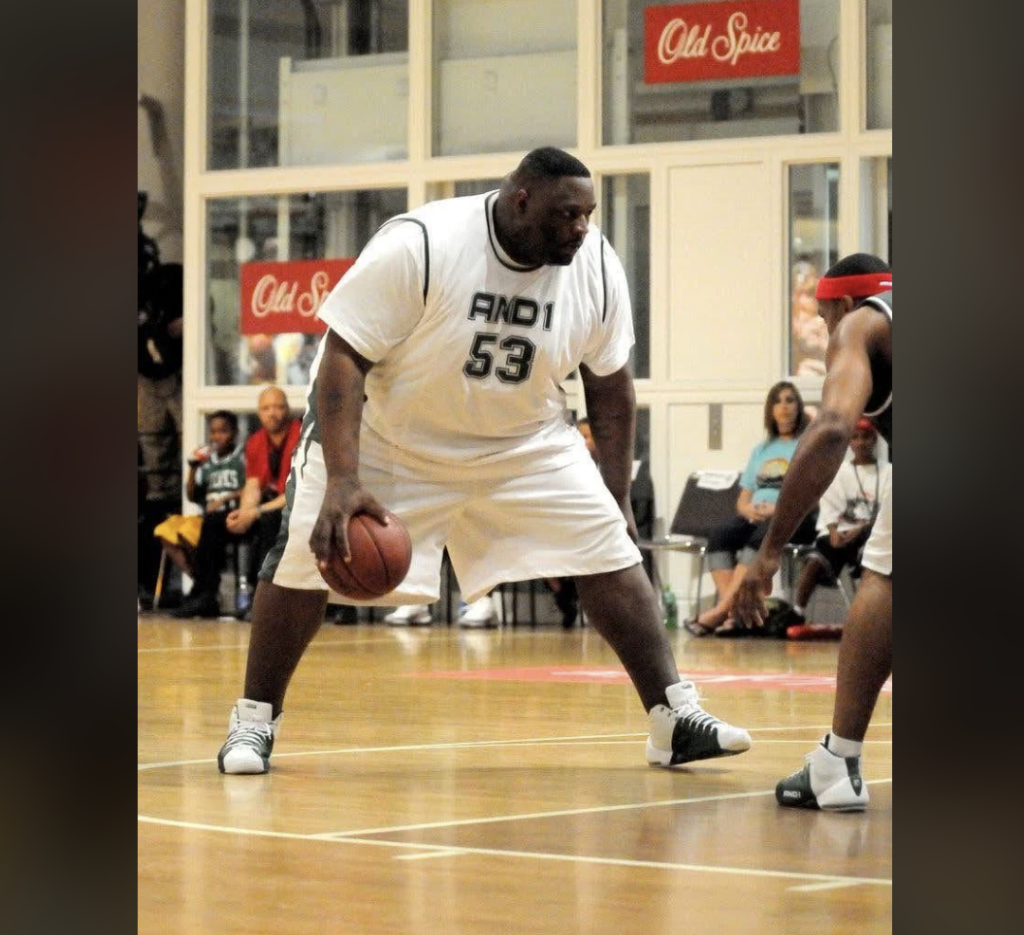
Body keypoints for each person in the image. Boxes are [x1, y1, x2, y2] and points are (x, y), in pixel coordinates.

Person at [215, 146, 751, 774]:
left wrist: (616, 494)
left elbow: (610, 387)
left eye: (588, 215)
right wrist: (342, 478)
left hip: (526, 445)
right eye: (566, 215)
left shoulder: (596, 264)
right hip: (395, 439)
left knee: (611, 551)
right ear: (519, 201)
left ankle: (674, 718)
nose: (581, 229)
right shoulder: (423, 243)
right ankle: (252, 722)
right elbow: (342, 358)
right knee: (306, 558)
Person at [732, 252, 892, 812]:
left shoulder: (860, 323)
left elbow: (829, 430)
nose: (828, 333)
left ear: (844, 304)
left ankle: (838, 763)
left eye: (824, 319)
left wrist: (770, 552)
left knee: (886, 582)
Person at [683, 381, 818, 636]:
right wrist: (749, 510)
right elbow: (743, 499)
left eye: (790, 400)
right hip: (757, 515)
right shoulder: (762, 449)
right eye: (778, 401)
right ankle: (732, 613)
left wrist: (777, 511)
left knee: (758, 538)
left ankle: (721, 611)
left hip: (793, 518)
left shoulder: (807, 445)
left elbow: (813, 495)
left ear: (799, 407)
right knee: (720, 535)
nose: (784, 406)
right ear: (770, 409)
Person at [772, 417, 890, 631]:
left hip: (871, 533)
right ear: (849, 442)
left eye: (866, 437)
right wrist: (833, 530)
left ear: (875, 439)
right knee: (817, 559)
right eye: (855, 437)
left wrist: (861, 528)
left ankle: (868, 619)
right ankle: (797, 611)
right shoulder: (839, 470)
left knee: (872, 563)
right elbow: (828, 504)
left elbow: (888, 510)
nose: (861, 442)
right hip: (839, 533)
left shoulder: (889, 471)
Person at [167, 410, 248, 618]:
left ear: (235, 433)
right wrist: (193, 468)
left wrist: (225, 497)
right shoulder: (207, 463)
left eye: (223, 431)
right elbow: (192, 496)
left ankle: (205, 594)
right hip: (210, 520)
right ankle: (201, 589)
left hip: (234, 516)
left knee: (210, 525)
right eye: (213, 432)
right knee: (167, 531)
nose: (216, 437)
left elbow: (252, 486)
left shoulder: (242, 457)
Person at [225, 385, 302, 598]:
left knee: (270, 520)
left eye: (278, 407)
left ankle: (263, 591)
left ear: (288, 409)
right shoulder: (256, 440)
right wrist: (244, 514)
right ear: (259, 412)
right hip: (270, 504)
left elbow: (296, 492)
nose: (272, 413)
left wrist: (255, 512)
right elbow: (253, 484)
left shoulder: (302, 436)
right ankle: (203, 594)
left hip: (299, 505)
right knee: (215, 522)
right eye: (266, 408)